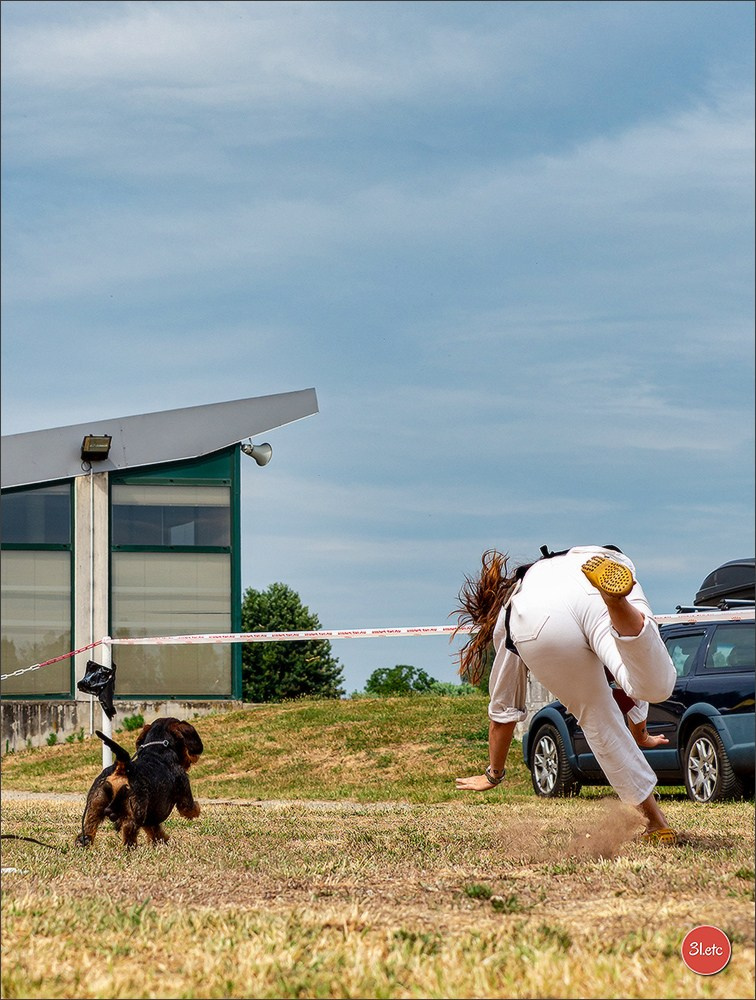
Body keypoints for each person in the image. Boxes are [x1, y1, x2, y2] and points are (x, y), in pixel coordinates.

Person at [453, 545, 678, 843]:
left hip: (541, 618)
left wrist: (494, 773)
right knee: (652, 685)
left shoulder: (511, 609)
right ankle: (617, 603)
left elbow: (503, 710)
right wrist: (640, 732)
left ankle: (656, 822)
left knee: (597, 717)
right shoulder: (557, 562)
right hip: (598, 564)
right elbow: (627, 689)